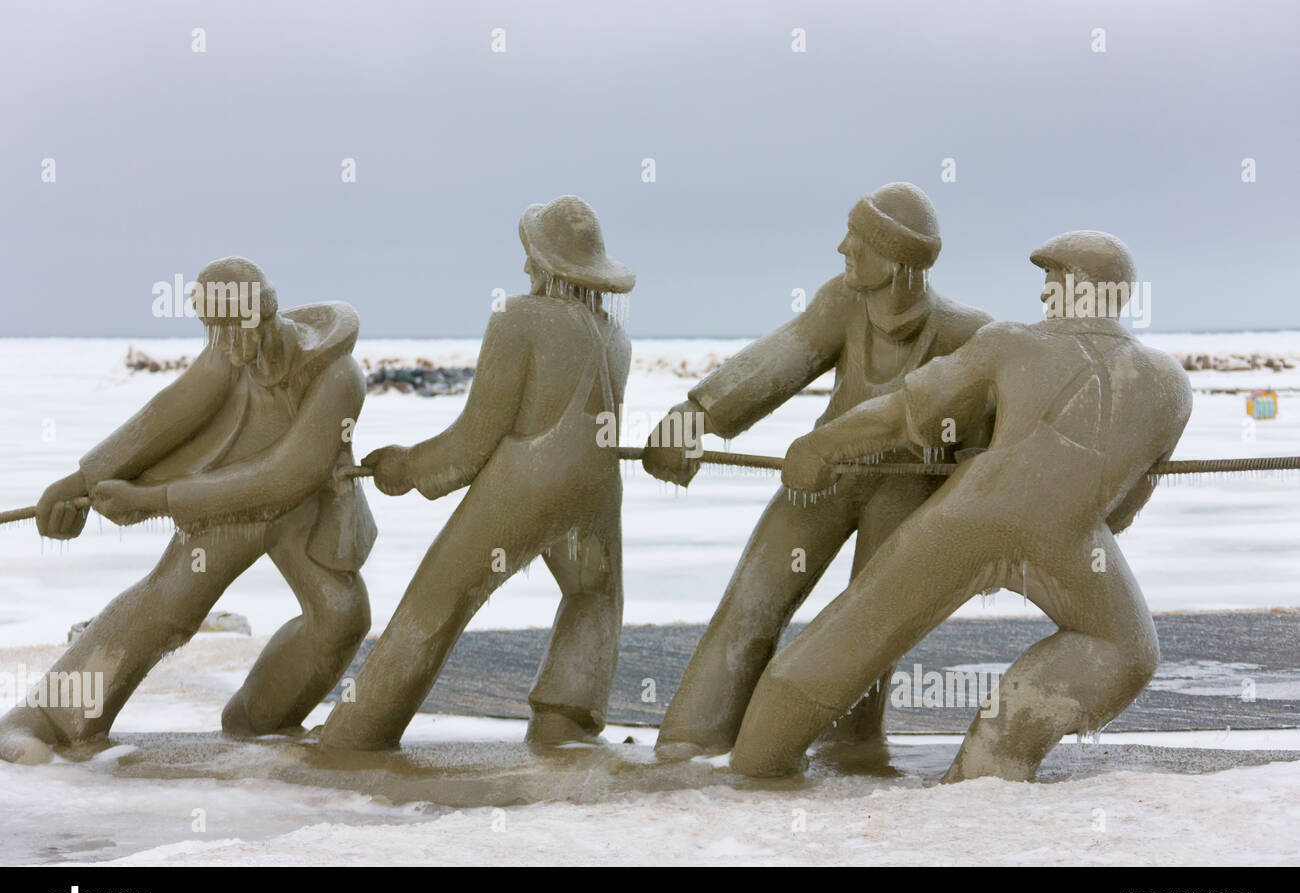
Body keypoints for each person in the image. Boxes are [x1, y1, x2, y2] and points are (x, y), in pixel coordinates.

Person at [730, 231, 1192, 782]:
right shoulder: (1169, 383)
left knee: (855, 630)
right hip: (1070, 535)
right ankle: (992, 763)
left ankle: (758, 766)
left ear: (1076, 285)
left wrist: (822, 446)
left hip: (966, 518)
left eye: (1051, 279)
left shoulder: (1009, 343)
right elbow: (1126, 504)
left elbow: (905, 412)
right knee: (1125, 650)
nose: (1044, 294)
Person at [645, 183, 994, 758]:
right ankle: (692, 739)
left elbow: (989, 436)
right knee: (754, 596)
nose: (842, 248)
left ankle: (850, 746)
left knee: (866, 623)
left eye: (856, 239)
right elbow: (781, 357)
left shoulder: (965, 333)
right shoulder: (843, 302)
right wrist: (695, 415)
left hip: (908, 488)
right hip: (823, 473)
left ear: (894, 256)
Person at [0, 257, 375, 763]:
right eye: (212, 327)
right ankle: (45, 719)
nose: (222, 340)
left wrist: (158, 500)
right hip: (229, 505)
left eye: (231, 325)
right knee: (169, 604)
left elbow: (290, 473)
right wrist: (83, 481)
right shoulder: (227, 350)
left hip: (306, 508)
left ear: (265, 313)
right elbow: (171, 411)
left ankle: (260, 722)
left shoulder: (338, 375)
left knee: (342, 618)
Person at [321, 196, 633, 751]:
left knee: (439, 598)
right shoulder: (615, 336)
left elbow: (474, 440)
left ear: (546, 263)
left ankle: (357, 732)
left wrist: (409, 466)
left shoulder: (520, 317)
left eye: (530, 255)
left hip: (525, 482)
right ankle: (564, 727)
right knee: (594, 594)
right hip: (595, 487)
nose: (524, 268)